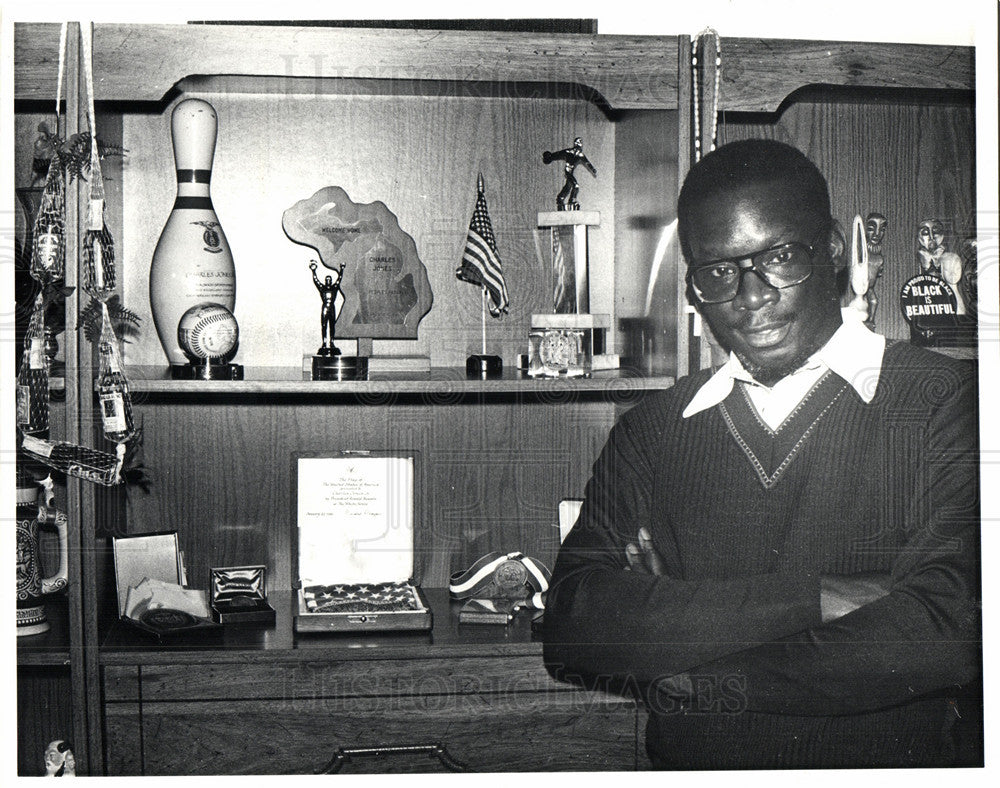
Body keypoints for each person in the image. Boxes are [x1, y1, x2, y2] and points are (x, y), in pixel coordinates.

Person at [543, 139, 981, 769]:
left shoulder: (944, 400)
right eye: (719, 271)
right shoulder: (656, 428)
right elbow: (574, 622)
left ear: (832, 248)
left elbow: (945, 635)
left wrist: (691, 669)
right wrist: (817, 597)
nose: (750, 297)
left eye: (778, 257)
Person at [310, 260, 346, 355]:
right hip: (325, 307)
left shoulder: (334, 287)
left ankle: (332, 342)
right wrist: (313, 271)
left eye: (330, 279)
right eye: (327, 280)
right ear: (325, 281)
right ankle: (324, 342)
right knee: (324, 325)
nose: (328, 281)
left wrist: (342, 269)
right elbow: (316, 280)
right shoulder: (322, 288)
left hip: (332, 308)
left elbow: (339, 279)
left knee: (332, 326)